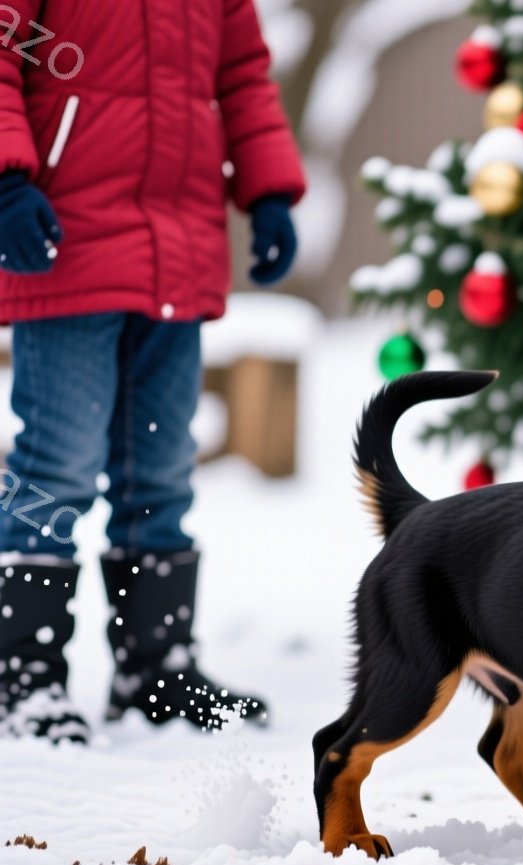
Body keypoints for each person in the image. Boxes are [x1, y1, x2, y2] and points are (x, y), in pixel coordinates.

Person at [0, 1, 305, 744]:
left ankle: (155, 670)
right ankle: (23, 675)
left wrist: (267, 190)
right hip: (66, 244)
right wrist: (6, 180)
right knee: (55, 468)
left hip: (180, 246)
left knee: (161, 472)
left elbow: (242, 75)